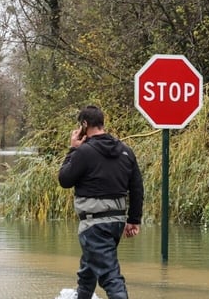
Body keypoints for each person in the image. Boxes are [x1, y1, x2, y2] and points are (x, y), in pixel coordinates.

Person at [58, 105, 144, 299]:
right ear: (102, 123)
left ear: (84, 125)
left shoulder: (84, 152)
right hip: (116, 223)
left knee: (110, 276)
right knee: (89, 271)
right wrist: (134, 220)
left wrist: (72, 148)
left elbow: (64, 180)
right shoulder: (126, 151)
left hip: (94, 224)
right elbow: (137, 188)